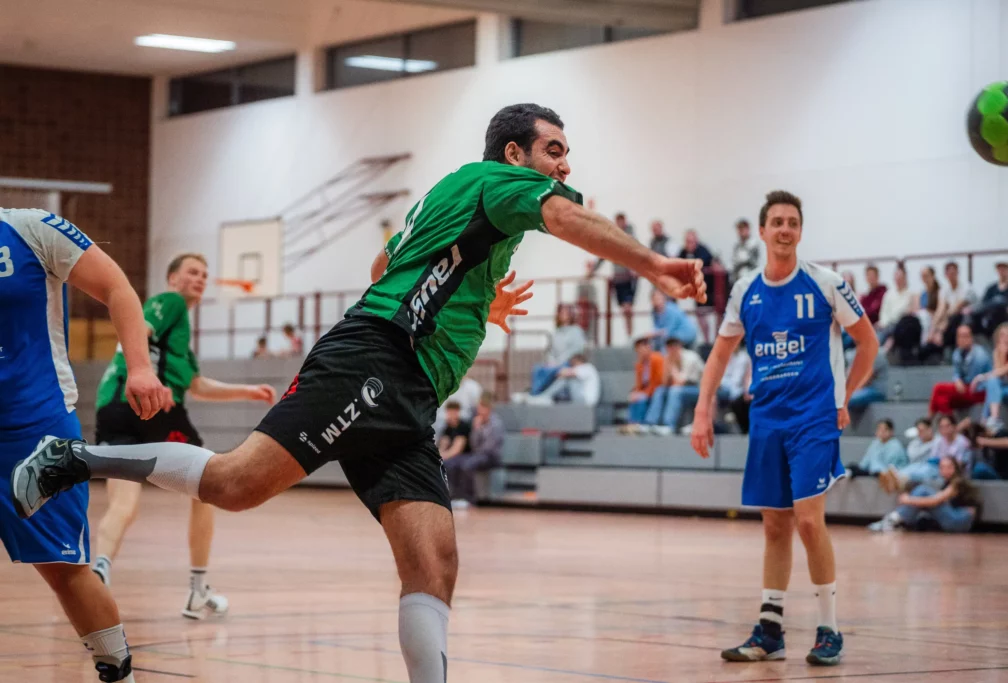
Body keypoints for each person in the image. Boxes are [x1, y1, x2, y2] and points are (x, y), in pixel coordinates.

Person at [12, 103, 706, 683]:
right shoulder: (503, 183)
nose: (564, 165)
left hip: (411, 396)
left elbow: (383, 264)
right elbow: (565, 217)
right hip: (375, 358)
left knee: (434, 562)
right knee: (235, 483)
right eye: (554, 150)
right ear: (515, 153)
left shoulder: (458, 195)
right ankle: (75, 458)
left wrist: (477, 298)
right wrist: (652, 265)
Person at [691, 190, 879, 667]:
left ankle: (829, 629)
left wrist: (844, 396)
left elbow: (868, 343)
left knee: (809, 521)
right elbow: (719, 354)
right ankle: (770, 631)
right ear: (762, 231)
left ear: (800, 230)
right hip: (767, 418)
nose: (785, 229)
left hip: (814, 416)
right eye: (777, 222)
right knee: (775, 525)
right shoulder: (745, 291)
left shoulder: (825, 283)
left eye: (792, 222)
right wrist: (702, 409)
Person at [0, 207, 172, 683]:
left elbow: (117, 287)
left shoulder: (30, 228)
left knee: (63, 566)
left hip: (36, 431)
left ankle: (118, 672)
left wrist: (140, 367)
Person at [90, 254, 276, 619]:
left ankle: (100, 571)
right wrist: (143, 373)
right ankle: (197, 588)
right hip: (151, 405)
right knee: (209, 485)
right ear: (172, 278)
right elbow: (137, 328)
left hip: (113, 406)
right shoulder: (169, 302)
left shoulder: (179, 339)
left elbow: (198, 385)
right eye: (192, 272)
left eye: (205, 274)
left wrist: (247, 391)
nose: (201, 278)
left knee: (124, 504)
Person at [868, 456, 980, 533]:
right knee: (921, 493)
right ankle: (896, 521)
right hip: (957, 518)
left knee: (923, 491)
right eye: (942, 467)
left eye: (949, 467)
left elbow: (935, 500)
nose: (945, 470)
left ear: (955, 468)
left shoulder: (957, 482)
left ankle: (893, 520)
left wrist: (908, 500)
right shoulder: (945, 482)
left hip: (960, 519)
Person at [880, 414, 970, 493]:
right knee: (919, 465)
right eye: (941, 427)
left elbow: (959, 464)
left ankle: (900, 478)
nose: (944, 429)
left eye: (947, 426)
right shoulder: (939, 440)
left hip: (951, 472)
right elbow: (933, 457)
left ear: (954, 426)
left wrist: (944, 464)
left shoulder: (962, 442)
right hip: (937, 467)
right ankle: (898, 476)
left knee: (927, 470)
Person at [445, 393, 505, 507]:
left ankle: (469, 498)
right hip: (476, 454)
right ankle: (455, 497)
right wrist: (476, 429)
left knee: (467, 465)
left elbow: (489, 447)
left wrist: (476, 451)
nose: (479, 410)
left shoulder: (496, 424)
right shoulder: (476, 421)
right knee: (451, 463)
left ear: (488, 408)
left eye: (482, 408)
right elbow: (473, 444)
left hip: (491, 456)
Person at [588, 212, 640, 337]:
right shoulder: (611, 238)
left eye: (622, 221)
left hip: (629, 278)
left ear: (624, 222)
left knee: (628, 308)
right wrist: (592, 271)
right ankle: (628, 334)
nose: (620, 224)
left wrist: (636, 268)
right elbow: (602, 255)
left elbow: (638, 252)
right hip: (618, 278)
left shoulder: (631, 237)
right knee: (624, 308)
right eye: (618, 222)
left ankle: (630, 334)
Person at [641, 337, 703, 436]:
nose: (671, 349)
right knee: (660, 390)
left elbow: (681, 382)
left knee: (675, 391)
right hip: (683, 388)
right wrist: (667, 365)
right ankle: (650, 423)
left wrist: (672, 366)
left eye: (674, 346)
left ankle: (669, 425)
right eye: (669, 347)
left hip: (699, 388)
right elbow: (665, 383)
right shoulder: (668, 358)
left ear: (679, 346)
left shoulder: (691, 357)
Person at [928, 325, 991, 417]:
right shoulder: (957, 353)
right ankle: (950, 420)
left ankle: (929, 420)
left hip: (979, 391)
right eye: (959, 336)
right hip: (966, 388)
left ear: (971, 338)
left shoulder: (980, 355)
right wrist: (957, 380)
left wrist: (962, 385)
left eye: (965, 336)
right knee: (942, 399)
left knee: (938, 388)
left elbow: (974, 382)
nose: (962, 339)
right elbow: (957, 373)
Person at [971, 321, 1008, 428]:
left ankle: (985, 421)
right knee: (992, 383)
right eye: (1002, 335)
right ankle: (992, 419)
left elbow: (1006, 370)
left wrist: (981, 377)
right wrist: (1002, 354)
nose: (1005, 339)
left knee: (991, 386)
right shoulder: (997, 352)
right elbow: (1000, 378)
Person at [529, 303, 587, 394]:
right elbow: (551, 350)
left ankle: (538, 394)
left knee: (551, 371)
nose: (563, 315)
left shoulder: (576, 331)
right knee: (538, 368)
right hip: (555, 363)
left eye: (566, 312)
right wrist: (551, 361)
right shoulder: (556, 333)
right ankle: (535, 392)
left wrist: (559, 362)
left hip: (568, 362)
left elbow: (575, 350)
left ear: (571, 315)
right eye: (561, 313)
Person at [623, 336, 665, 433]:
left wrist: (645, 393)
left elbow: (658, 381)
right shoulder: (639, 364)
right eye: (638, 349)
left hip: (657, 389)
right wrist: (635, 393)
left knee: (641, 398)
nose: (640, 352)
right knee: (634, 396)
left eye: (642, 348)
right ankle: (632, 423)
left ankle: (640, 423)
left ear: (649, 347)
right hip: (646, 390)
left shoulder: (657, 359)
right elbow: (639, 384)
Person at [525, 353, 601, 406]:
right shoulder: (587, 368)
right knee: (565, 381)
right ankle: (545, 397)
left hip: (586, 401)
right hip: (584, 399)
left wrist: (553, 369)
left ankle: (545, 397)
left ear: (578, 361)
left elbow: (563, 373)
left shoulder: (587, 367)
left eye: (573, 364)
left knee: (566, 379)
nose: (572, 366)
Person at [972, 261, 1008, 337]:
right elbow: (984, 303)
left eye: (1004, 268)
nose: (1002, 271)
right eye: (1000, 268)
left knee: (999, 302)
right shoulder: (991, 288)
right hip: (992, 320)